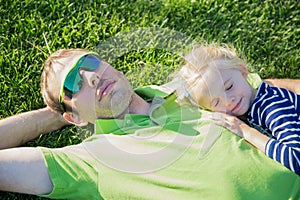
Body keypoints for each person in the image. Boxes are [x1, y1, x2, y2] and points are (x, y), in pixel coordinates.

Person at [0, 48, 299, 200]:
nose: (90, 77)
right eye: (73, 84)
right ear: (73, 117)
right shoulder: (90, 160)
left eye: (89, 64)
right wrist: (56, 116)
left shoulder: (182, 88)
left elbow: (260, 88)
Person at [176, 43, 300, 175]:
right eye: (216, 102)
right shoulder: (252, 106)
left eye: (229, 87)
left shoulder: (272, 107)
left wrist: (245, 131)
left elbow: (296, 160)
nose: (228, 102)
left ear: (243, 71)